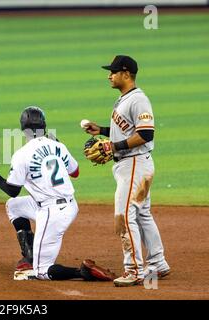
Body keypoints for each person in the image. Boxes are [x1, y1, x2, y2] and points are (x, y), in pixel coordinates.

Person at [0, 106, 115, 281]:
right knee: (15, 206)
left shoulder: (22, 154)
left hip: (53, 212)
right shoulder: (58, 145)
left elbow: (12, 190)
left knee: (42, 271)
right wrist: (56, 148)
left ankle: (82, 272)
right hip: (69, 205)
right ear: (44, 125)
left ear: (22, 128)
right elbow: (76, 172)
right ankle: (30, 255)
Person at [83, 55, 170, 287]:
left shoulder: (138, 100)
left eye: (113, 71)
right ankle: (157, 263)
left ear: (126, 74)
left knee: (123, 215)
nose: (109, 75)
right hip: (135, 164)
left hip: (134, 164)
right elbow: (128, 130)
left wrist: (114, 146)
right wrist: (101, 130)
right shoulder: (125, 98)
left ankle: (134, 270)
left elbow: (146, 134)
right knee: (142, 215)